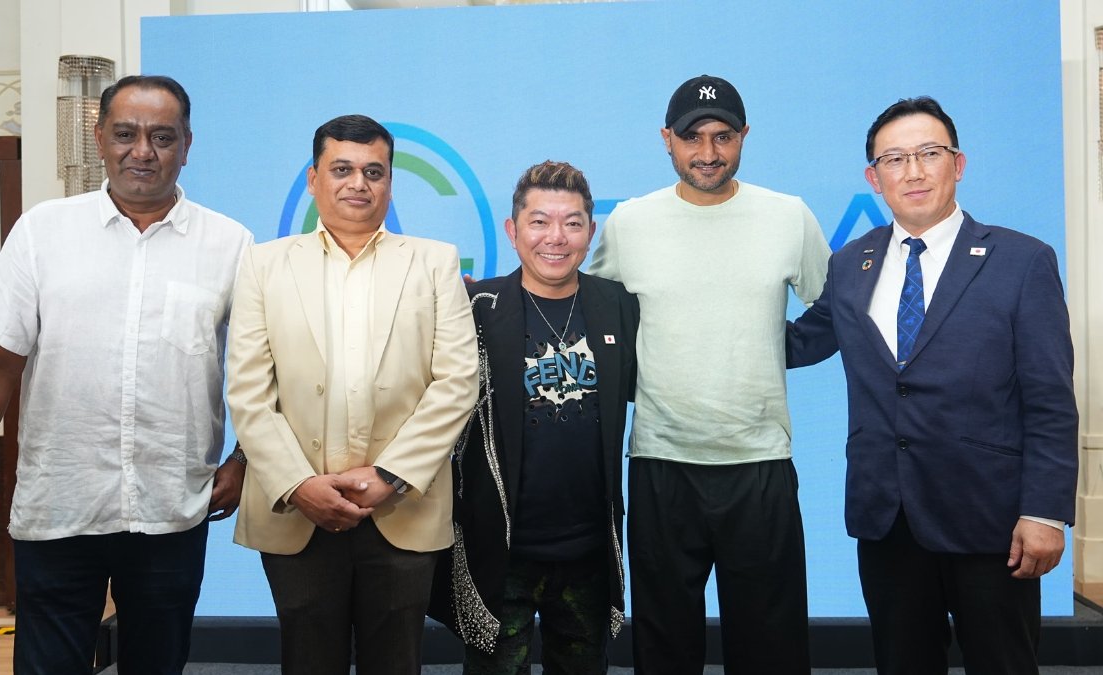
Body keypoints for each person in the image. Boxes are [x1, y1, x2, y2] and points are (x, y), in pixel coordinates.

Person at [0, 75, 254, 674]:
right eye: (126, 134)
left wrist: (244, 458)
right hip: (60, 503)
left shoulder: (230, 243)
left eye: (162, 137)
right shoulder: (43, 231)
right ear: (99, 139)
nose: (144, 151)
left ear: (187, 145)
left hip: (172, 506)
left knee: (157, 665)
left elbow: (259, 369)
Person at [785, 96, 1077, 675]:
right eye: (894, 159)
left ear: (958, 164)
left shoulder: (1021, 261)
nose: (913, 171)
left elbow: (1049, 400)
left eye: (929, 154)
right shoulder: (851, 265)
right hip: (887, 518)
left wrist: (1045, 512)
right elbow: (798, 343)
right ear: (874, 178)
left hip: (992, 522)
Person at [587, 74, 830, 674]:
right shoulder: (630, 222)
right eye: (692, 138)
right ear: (666, 139)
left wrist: (775, 348)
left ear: (744, 136)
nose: (708, 153)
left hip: (760, 460)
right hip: (661, 460)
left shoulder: (788, 216)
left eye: (723, 137)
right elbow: (593, 317)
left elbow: (833, 309)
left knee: (771, 648)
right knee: (665, 648)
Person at [225, 114, 478, 675]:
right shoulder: (264, 264)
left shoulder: (434, 262)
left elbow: (458, 381)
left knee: (396, 662)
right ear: (314, 179)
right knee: (308, 660)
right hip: (297, 510)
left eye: (373, 171)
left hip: (402, 505)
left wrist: (389, 476)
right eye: (341, 170)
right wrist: (299, 484)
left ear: (390, 182)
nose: (358, 183)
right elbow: (247, 391)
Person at [428, 161, 638, 674]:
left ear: (591, 231)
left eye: (572, 223)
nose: (556, 237)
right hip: (501, 549)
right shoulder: (475, 307)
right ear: (513, 230)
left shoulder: (617, 305)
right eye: (539, 222)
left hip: (589, 549)